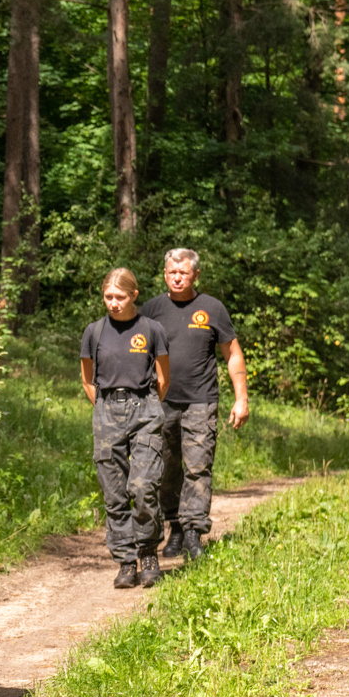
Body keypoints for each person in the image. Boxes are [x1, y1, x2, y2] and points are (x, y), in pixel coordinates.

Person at [140, 249, 249, 561]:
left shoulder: (212, 308)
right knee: (165, 469)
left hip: (201, 400)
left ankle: (193, 533)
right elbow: (136, 353)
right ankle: (174, 527)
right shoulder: (151, 310)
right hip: (161, 401)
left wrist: (241, 398)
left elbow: (233, 354)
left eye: (184, 273)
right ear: (164, 274)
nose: (177, 278)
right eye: (172, 273)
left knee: (198, 466)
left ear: (196, 275)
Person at [80, 268, 171, 589]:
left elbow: (163, 379)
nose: (113, 303)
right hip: (106, 410)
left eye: (120, 297)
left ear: (134, 295)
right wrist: (107, 409)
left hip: (145, 408)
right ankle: (125, 561)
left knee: (144, 486)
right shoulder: (94, 332)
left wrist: (144, 406)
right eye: (108, 297)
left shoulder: (152, 329)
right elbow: (87, 379)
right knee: (114, 491)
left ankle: (148, 553)